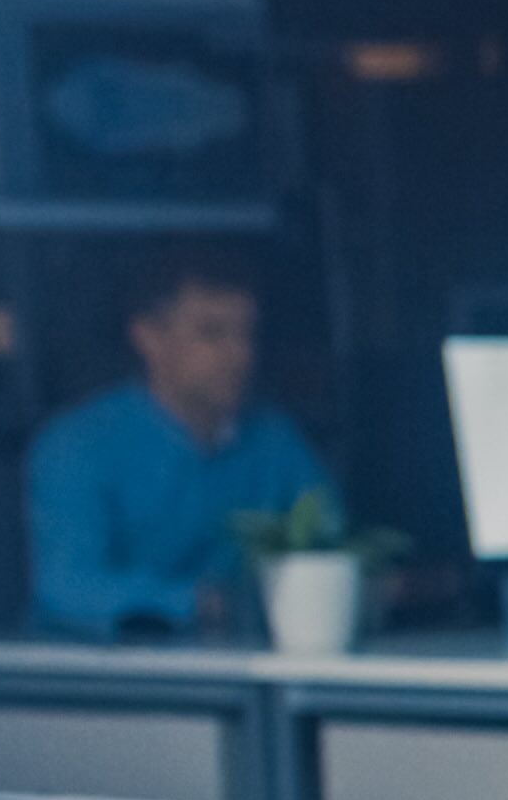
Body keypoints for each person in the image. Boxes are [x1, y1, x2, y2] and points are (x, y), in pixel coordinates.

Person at [25, 243, 330, 639]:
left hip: (244, 672)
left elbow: (332, 544)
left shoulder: (275, 440)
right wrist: (200, 601)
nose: (240, 355)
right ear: (149, 337)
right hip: (104, 682)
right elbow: (66, 586)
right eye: (212, 333)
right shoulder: (75, 446)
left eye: (246, 333)